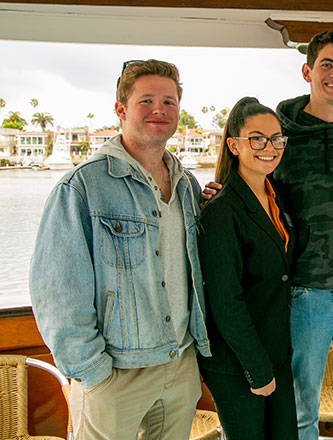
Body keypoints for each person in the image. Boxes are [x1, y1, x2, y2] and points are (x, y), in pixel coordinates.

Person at [201, 28, 333, 440]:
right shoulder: (280, 132)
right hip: (305, 293)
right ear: (307, 71)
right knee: (300, 411)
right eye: (326, 64)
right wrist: (216, 190)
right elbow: (254, 188)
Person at [29, 59, 210, 439]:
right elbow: (56, 292)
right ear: (121, 109)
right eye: (146, 100)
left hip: (180, 365)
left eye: (169, 101)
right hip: (115, 374)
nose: (159, 110)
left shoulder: (188, 186)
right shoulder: (82, 187)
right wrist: (94, 372)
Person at [197, 97, 297, 439]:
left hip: (276, 353)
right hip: (239, 363)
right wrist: (257, 370)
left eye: (276, 138)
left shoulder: (274, 196)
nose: (269, 147)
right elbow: (226, 301)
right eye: (257, 138)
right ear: (234, 145)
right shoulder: (222, 210)